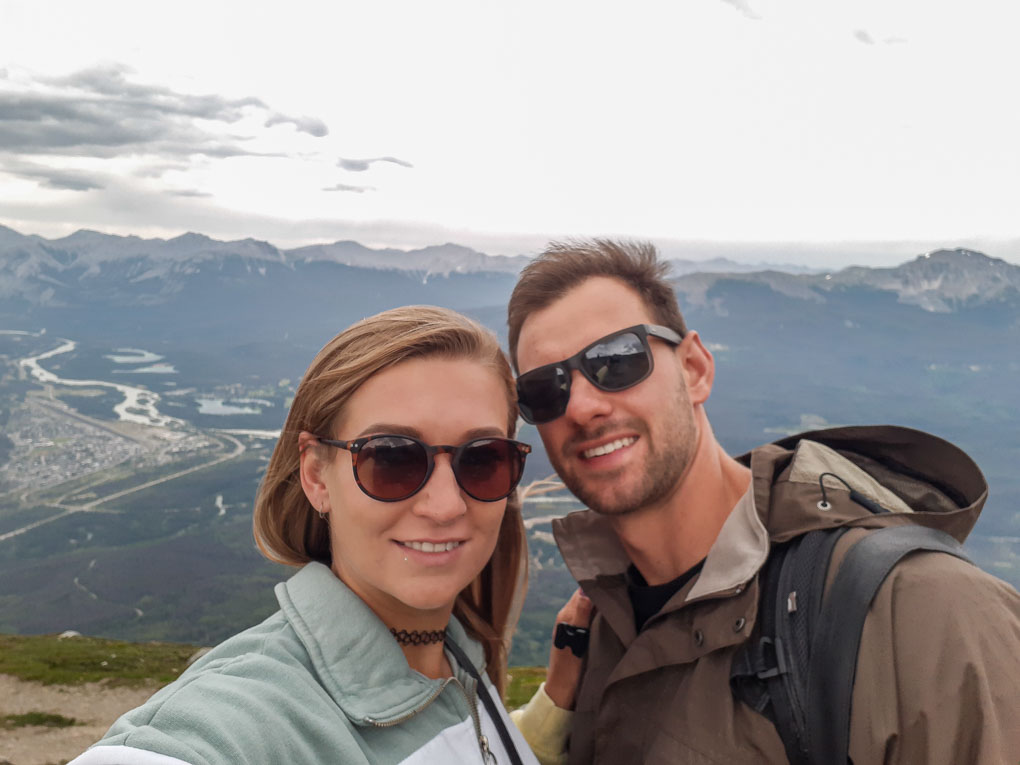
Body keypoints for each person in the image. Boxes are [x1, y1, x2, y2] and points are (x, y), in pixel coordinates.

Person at [506, 239, 1020, 764]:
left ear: (696, 369)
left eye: (616, 360)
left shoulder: (920, 612)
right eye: (547, 390)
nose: (584, 405)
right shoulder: (600, 634)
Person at [70, 305, 551, 765]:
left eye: (485, 457)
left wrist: (556, 710)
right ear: (317, 476)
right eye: (391, 457)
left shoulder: (456, 654)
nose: (446, 505)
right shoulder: (252, 718)